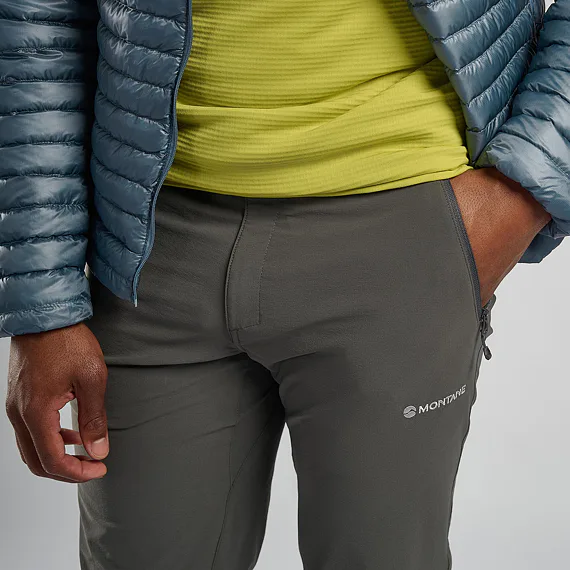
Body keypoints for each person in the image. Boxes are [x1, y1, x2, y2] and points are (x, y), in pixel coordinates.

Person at [2, 0, 569, 568]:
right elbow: (38, 19)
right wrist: (43, 301)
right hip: (149, 250)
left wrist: (520, 192)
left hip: (402, 231)